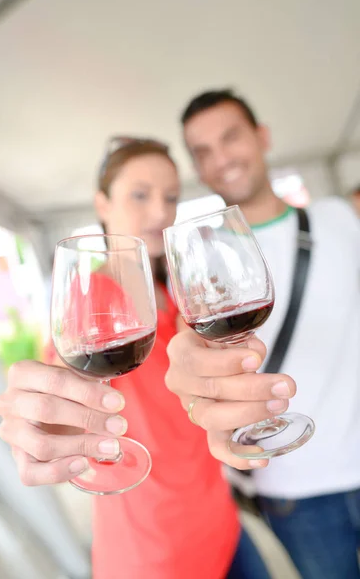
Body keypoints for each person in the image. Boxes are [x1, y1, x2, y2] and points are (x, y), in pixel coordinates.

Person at [0, 137, 284, 579]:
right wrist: (42, 418)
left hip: (222, 526)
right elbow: (63, 375)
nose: (159, 212)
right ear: (102, 204)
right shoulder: (89, 298)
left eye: (170, 197)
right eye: (140, 194)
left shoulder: (178, 294)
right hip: (153, 555)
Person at [165, 89, 360, 579]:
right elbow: (189, 354)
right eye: (202, 151)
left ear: (262, 136)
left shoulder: (340, 217)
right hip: (293, 488)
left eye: (230, 138)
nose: (221, 158)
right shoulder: (203, 257)